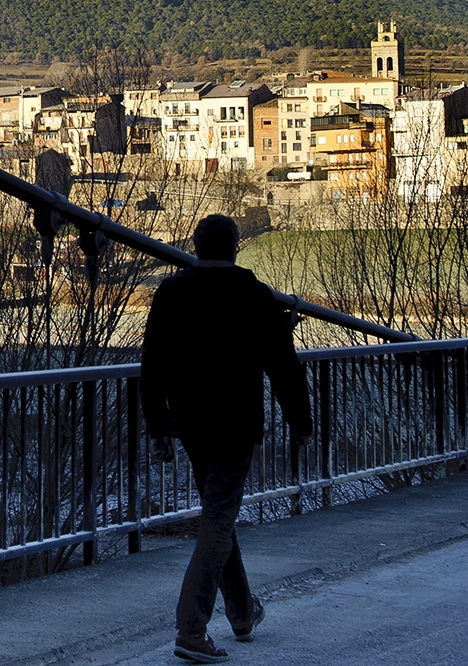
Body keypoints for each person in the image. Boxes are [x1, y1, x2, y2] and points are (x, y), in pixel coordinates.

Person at [140, 213, 313, 663]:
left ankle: (241, 613)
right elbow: (283, 367)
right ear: (236, 247)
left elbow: (152, 366)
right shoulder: (253, 296)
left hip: (192, 426)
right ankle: (191, 628)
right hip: (236, 426)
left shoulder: (172, 292)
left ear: (194, 246)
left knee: (220, 517)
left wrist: (158, 427)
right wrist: (301, 424)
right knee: (219, 519)